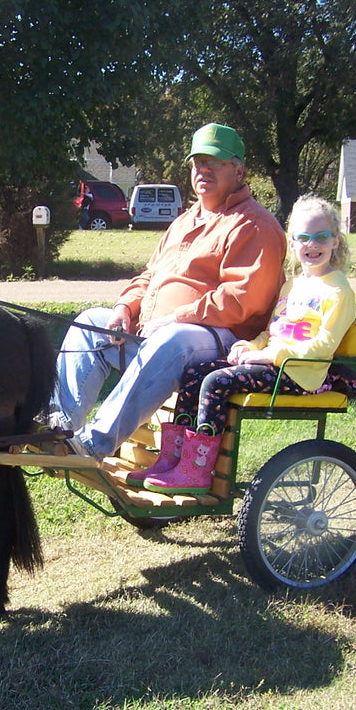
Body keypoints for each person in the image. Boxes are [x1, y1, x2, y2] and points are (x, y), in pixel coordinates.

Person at [49, 123, 287, 459]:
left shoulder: (254, 225)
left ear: (238, 170)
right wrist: (123, 309)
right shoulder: (185, 220)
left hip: (223, 343)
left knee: (172, 339)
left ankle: (92, 445)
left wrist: (177, 318)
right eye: (197, 163)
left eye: (214, 163)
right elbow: (150, 276)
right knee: (91, 324)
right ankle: (57, 428)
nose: (203, 170)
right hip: (160, 338)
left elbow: (243, 300)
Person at [137, 194, 356, 495]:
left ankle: (196, 471)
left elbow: (324, 344)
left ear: (335, 241)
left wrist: (271, 356)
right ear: (293, 243)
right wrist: (252, 347)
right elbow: (273, 331)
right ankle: (172, 460)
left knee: (216, 382)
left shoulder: (337, 290)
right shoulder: (291, 287)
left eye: (321, 237)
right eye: (303, 238)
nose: (312, 245)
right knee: (194, 374)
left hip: (299, 373)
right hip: (273, 363)